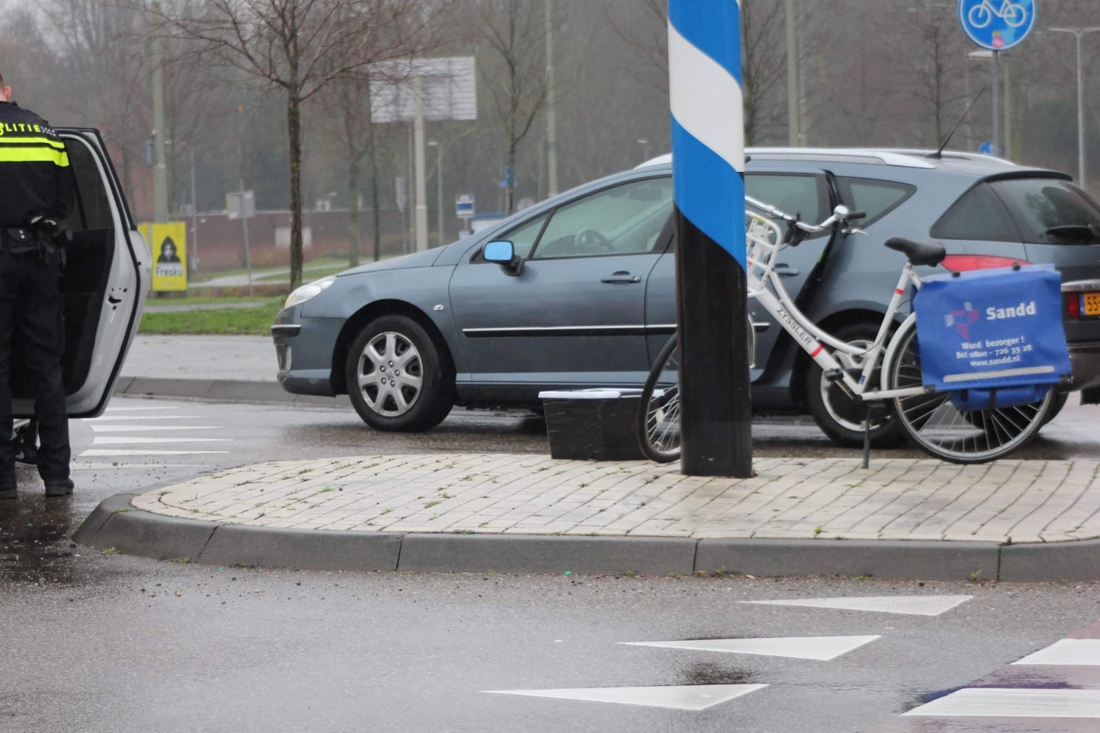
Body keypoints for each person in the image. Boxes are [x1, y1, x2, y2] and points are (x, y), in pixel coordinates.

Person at [0, 70, 76, 500]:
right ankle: (57, 476)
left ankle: (4, 480)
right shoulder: (45, 131)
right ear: (7, 92)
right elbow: (63, 203)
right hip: (40, 258)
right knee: (48, 368)